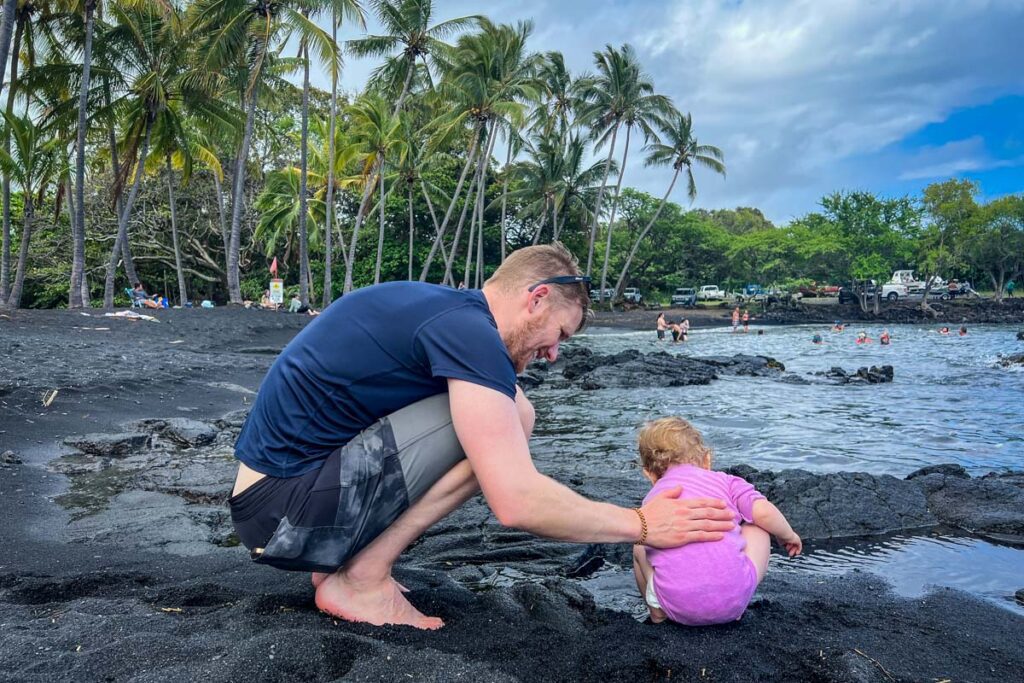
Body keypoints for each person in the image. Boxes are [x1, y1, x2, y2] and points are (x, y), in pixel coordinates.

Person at [228, 243, 735, 630]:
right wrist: (643, 524)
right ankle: (360, 581)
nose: (555, 354)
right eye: (559, 335)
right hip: (283, 517)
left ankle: (344, 566)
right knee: (512, 419)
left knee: (516, 408)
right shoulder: (470, 333)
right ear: (536, 300)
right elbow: (515, 502)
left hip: (278, 506)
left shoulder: (444, 313)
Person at [632, 417, 801, 626]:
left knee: (641, 538)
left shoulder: (654, 500)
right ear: (707, 460)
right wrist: (788, 535)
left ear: (650, 475)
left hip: (677, 607)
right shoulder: (726, 481)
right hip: (732, 605)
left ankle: (657, 612)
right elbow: (764, 513)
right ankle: (736, 601)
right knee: (758, 527)